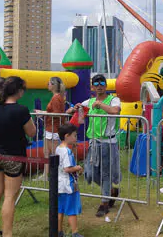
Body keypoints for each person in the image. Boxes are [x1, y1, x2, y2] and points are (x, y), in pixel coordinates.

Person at [0, 76, 36, 237]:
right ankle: (7, 234)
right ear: (19, 91)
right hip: (14, 156)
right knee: (9, 196)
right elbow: (32, 132)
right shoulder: (21, 110)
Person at [66, 74, 121, 217]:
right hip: (94, 143)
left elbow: (116, 111)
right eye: (96, 83)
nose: (99, 85)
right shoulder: (89, 101)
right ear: (92, 87)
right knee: (89, 173)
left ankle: (104, 203)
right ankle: (110, 191)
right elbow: (71, 111)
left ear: (106, 85)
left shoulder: (113, 99)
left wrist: (101, 105)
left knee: (106, 173)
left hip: (109, 142)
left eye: (102, 82)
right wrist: (74, 108)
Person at [35, 77, 66, 180]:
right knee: (47, 153)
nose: (47, 85)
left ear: (53, 85)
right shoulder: (57, 97)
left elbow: (56, 114)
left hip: (53, 129)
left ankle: (57, 175)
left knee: (53, 153)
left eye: (49, 83)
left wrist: (43, 113)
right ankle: (46, 174)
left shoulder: (56, 98)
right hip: (51, 128)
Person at [56, 124, 83, 237]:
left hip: (59, 184)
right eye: (75, 136)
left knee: (60, 209)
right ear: (67, 136)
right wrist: (78, 167)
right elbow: (67, 168)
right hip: (69, 185)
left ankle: (59, 231)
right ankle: (74, 232)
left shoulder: (58, 148)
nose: (76, 138)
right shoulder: (67, 151)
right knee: (72, 209)